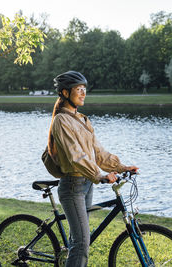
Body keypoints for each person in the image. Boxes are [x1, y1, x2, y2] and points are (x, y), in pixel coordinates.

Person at [47, 70, 138, 267]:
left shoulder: (82, 119)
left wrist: (122, 167)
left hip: (87, 184)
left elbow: (97, 153)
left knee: (79, 240)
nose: (83, 93)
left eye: (84, 89)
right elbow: (76, 157)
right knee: (81, 244)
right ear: (64, 93)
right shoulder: (61, 121)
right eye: (78, 89)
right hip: (73, 186)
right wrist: (101, 175)